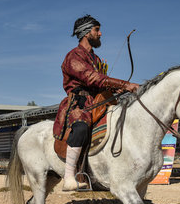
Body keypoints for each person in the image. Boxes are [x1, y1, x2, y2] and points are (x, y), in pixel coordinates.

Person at [53, 15, 139, 191]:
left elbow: (101, 81)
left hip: (98, 100)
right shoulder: (73, 56)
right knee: (81, 126)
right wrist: (125, 84)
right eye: (96, 30)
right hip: (80, 101)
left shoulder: (97, 59)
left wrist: (117, 90)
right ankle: (69, 177)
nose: (100, 33)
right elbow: (92, 78)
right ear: (86, 33)